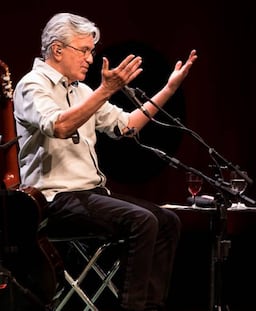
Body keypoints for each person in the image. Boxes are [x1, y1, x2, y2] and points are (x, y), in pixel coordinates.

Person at [13, 12, 198, 311]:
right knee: (142, 221)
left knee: (168, 222)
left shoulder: (82, 90)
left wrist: (169, 90)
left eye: (92, 51)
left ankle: (152, 306)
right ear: (58, 49)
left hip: (91, 196)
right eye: (84, 50)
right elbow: (59, 126)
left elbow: (127, 126)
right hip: (54, 199)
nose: (90, 58)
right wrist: (105, 91)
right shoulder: (32, 86)